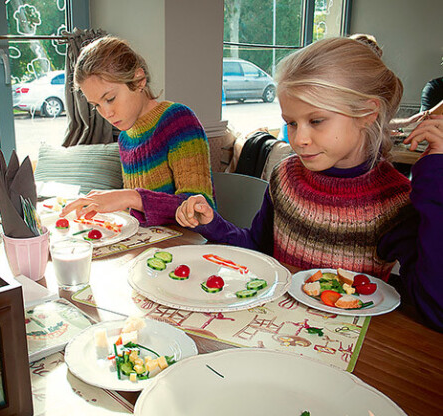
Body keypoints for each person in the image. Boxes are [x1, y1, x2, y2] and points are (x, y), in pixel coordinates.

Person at [175, 37, 443, 331]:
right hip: (271, 330)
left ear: (368, 113)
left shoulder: (395, 199)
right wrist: (213, 224)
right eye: (291, 122)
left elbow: (435, 307)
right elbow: (257, 250)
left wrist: (435, 180)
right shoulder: (286, 175)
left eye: (316, 121)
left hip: (345, 347)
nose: (298, 139)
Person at [60, 36, 214, 226]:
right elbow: (141, 216)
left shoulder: (179, 121)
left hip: (186, 247)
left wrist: (130, 198)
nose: (106, 113)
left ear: (139, 80)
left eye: (110, 98)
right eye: (96, 105)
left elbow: (199, 211)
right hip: (148, 246)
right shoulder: (125, 138)